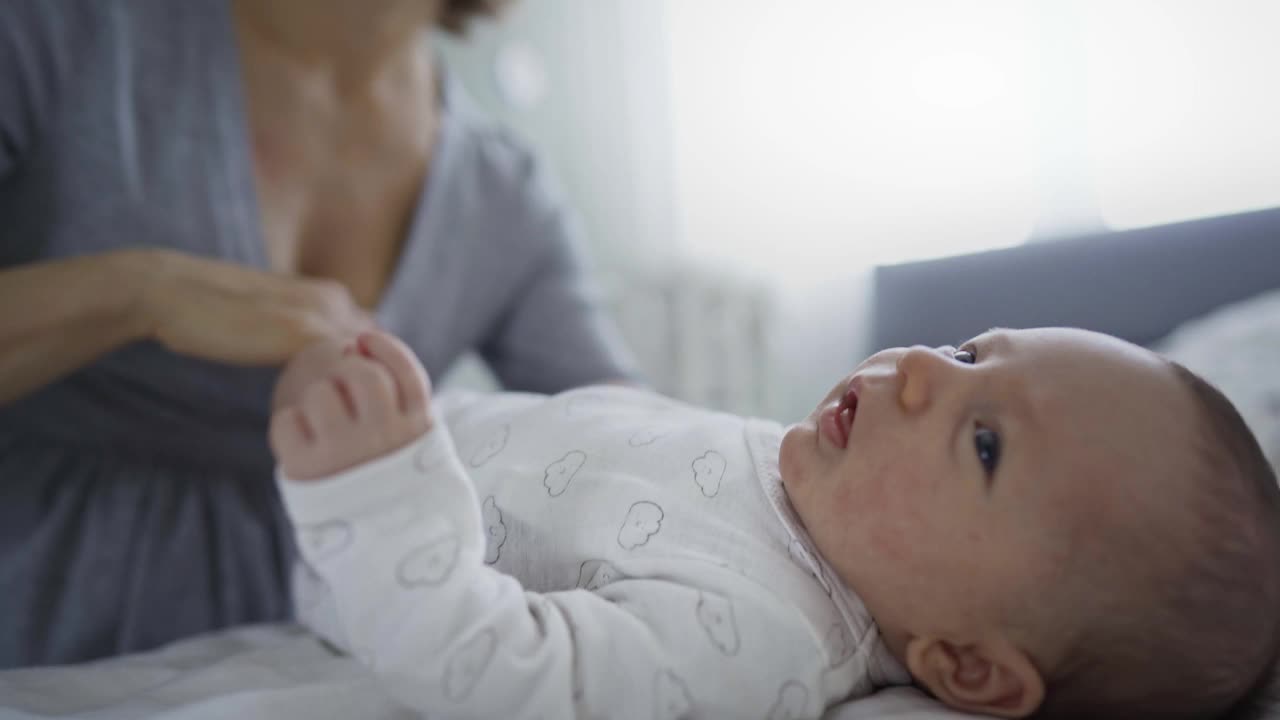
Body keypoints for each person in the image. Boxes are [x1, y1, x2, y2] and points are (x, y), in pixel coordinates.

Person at [0, 0, 637, 667]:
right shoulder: (61, 32)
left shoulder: (506, 194)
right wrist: (139, 293)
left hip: (326, 660)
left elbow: (630, 436)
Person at [269, 327, 1280, 719]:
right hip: (396, 424)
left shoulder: (757, 637)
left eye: (984, 443)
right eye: (974, 352)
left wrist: (375, 495)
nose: (923, 368)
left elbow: (504, 676)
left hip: (336, 527)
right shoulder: (813, 479)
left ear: (965, 668)